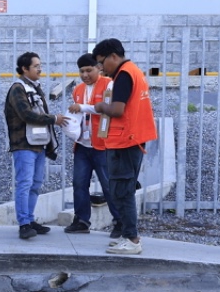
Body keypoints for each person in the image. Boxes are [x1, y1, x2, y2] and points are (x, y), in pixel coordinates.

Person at [89, 39, 158, 255]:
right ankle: (129, 236)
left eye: (101, 63)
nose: (101, 68)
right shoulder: (134, 72)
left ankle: (131, 239)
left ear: (113, 57)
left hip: (125, 141)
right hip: (133, 139)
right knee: (123, 189)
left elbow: (118, 110)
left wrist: (100, 106)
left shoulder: (124, 75)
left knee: (122, 191)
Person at [5, 52, 69, 239]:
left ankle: (30, 219)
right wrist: (53, 119)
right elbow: (27, 115)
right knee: (24, 183)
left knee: (35, 184)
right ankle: (24, 223)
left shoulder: (35, 88)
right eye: (36, 66)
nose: (40, 69)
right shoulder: (18, 88)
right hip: (23, 144)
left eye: (40, 65)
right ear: (25, 69)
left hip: (39, 144)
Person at [64, 52, 114, 233]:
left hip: (103, 145)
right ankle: (81, 221)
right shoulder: (77, 90)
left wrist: (83, 107)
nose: (85, 75)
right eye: (81, 71)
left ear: (98, 68)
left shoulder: (109, 85)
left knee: (109, 185)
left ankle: (120, 222)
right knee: (79, 183)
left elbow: (109, 109)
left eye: (89, 70)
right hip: (83, 145)